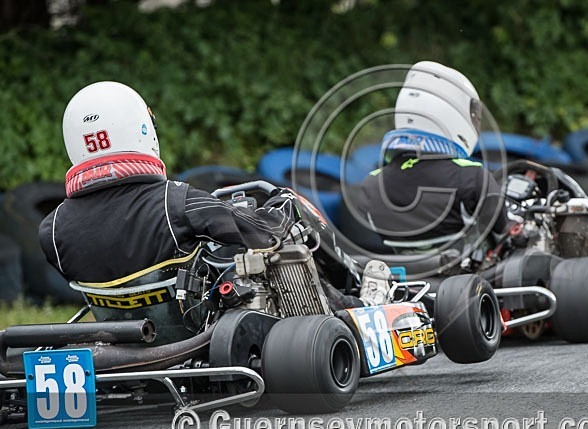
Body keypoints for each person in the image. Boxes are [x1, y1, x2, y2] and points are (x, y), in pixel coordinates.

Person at [39, 81, 388, 308]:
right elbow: (265, 235)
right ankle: (360, 300)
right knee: (286, 219)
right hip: (192, 328)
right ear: (140, 129)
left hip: (123, 336)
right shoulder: (175, 202)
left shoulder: (52, 231)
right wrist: (282, 209)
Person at [357, 61, 508, 251]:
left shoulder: (370, 185)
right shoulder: (473, 177)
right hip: (467, 277)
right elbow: (505, 234)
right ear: (452, 114)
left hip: (402, 277)